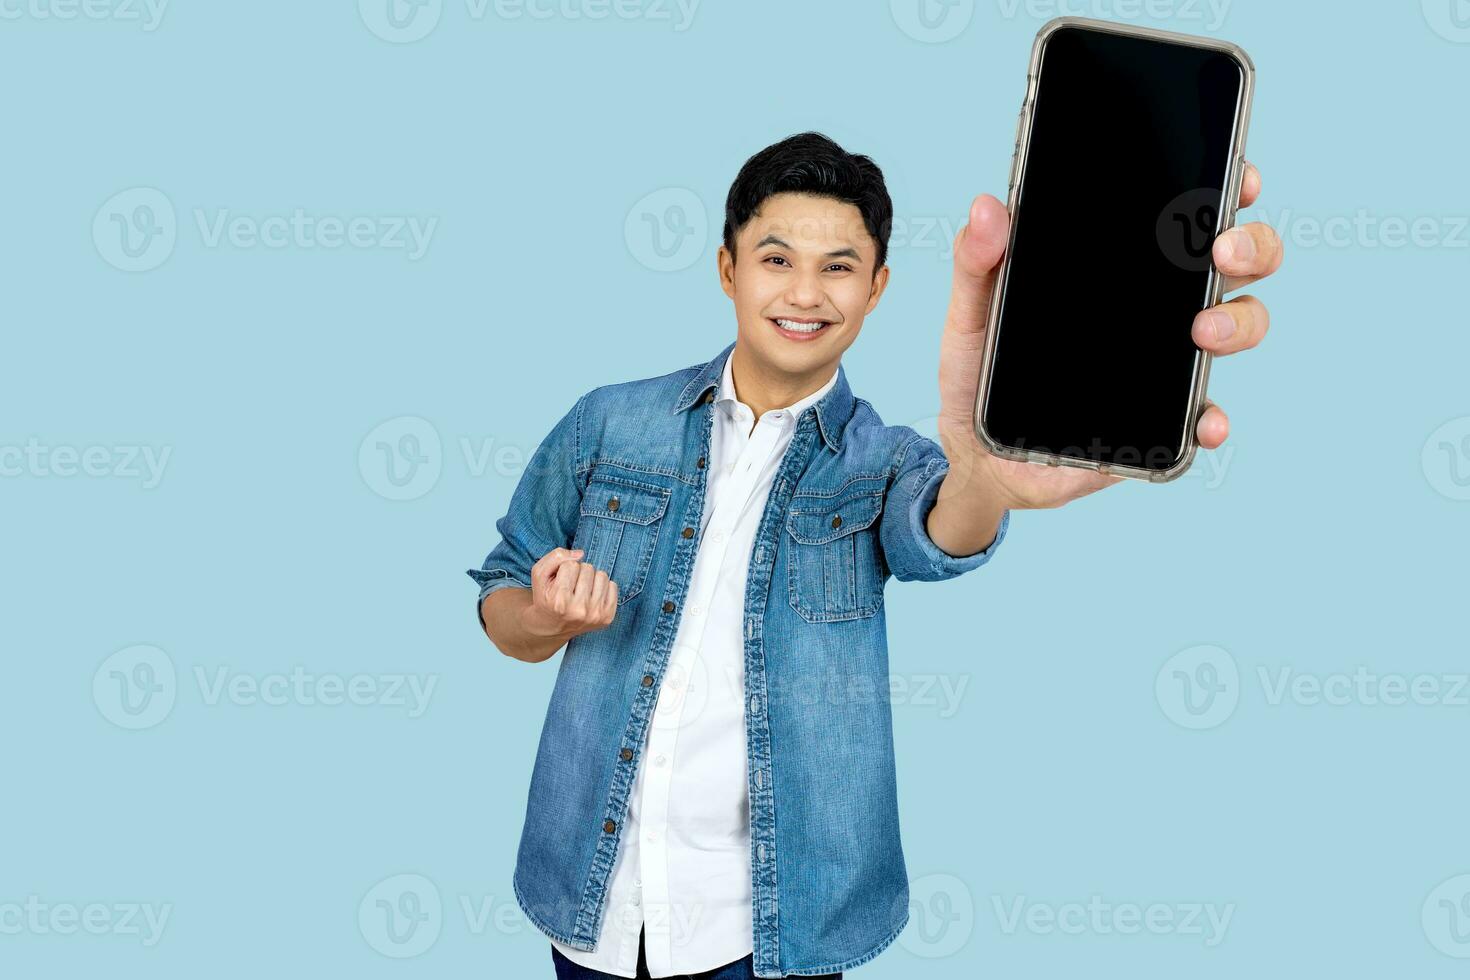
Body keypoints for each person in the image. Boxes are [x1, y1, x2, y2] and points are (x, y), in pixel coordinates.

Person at [468, 132, 1282, 979]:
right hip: (593, 906)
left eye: (840, 267)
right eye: (776, 259)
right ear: (727, 269)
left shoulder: (885, 460)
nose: (805, 293)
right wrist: (541, 615)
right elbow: (503, 591)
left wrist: (987, 474)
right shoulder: (608, 421)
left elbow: (939, 531)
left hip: (775, 933)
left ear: (878, 287)